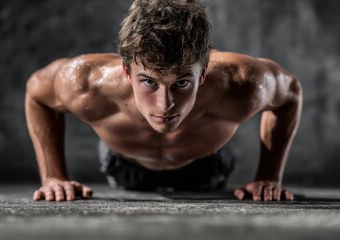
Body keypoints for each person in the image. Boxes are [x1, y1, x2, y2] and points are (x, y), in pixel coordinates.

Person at [25, 0, 302, 202]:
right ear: (127, 71)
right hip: (124, 167)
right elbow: (37, 94)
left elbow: (290, 94)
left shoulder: (243, 82)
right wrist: (53, 177)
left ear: (202, 73)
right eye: (149, 82)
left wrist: (268, 176)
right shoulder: (85, 82)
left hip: (206, 167)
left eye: (181, 83)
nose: (164, 105)